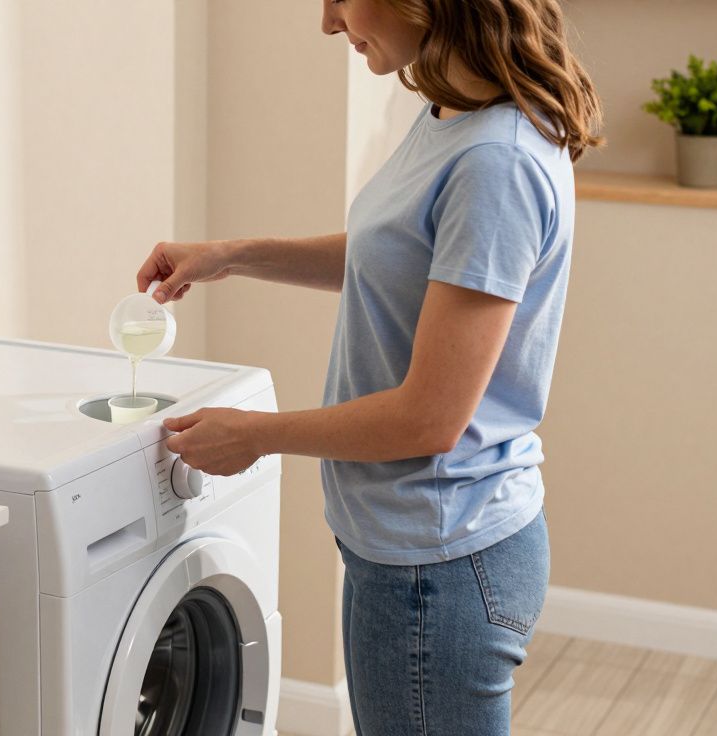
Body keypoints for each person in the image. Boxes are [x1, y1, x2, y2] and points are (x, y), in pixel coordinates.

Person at [136, 1, 603, 733]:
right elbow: (400, 257)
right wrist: (234, 255)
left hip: (439, 562)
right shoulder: (454, 112)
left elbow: (429, 418)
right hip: (409, 549)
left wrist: (256, 435)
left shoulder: (496, 161)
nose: (328, 23)